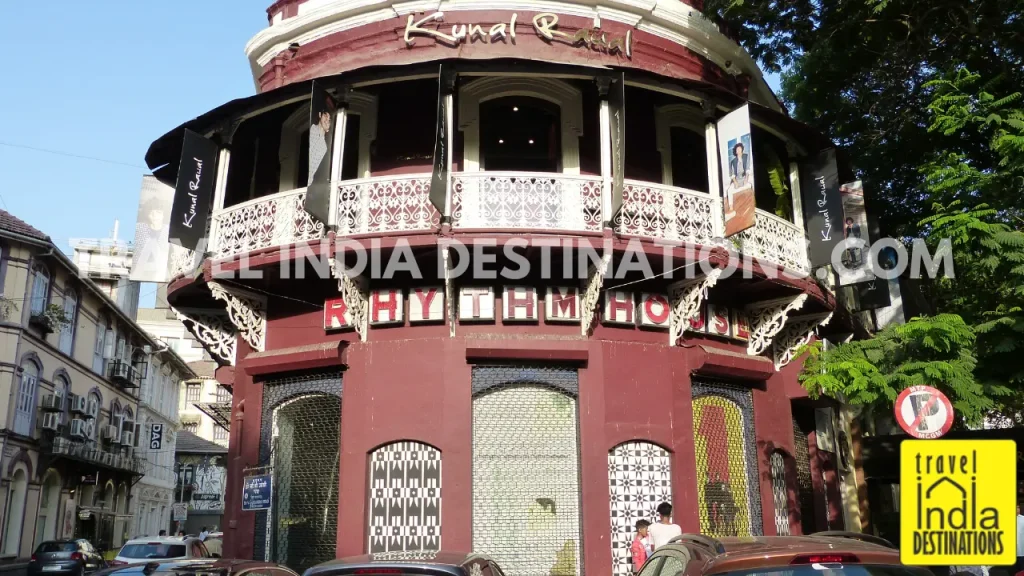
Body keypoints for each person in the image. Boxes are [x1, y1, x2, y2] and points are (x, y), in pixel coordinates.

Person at [1016, 503, 1024, 572]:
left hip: (1021, 551)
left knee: (1021, 570)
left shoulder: (1023, 519)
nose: (1017, 509)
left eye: (1018, 507)